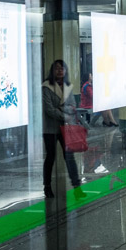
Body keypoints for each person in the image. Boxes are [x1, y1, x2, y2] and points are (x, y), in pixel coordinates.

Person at [42, 60, 86, 199]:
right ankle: (47, 186)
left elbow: (72, 105)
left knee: (69, 157)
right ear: (52, 71)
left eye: (62, 69)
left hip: (66, 128)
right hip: (50, 128)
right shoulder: (46, 86)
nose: (60, 71)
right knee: (50, 157)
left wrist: (64, 111)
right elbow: (49, 109)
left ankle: (77, 187)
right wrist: (64, 115)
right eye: (57, 69)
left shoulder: (68, 86)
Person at [79, 73, 110, 175]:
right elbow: (92, 96)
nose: (92, 76)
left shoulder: (89, 85)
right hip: (87, 105)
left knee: (105, 107)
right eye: (91, 75)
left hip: (91, 104)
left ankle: (108, 122)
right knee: (104, 107)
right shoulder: (87, 86)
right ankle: (108, 122)